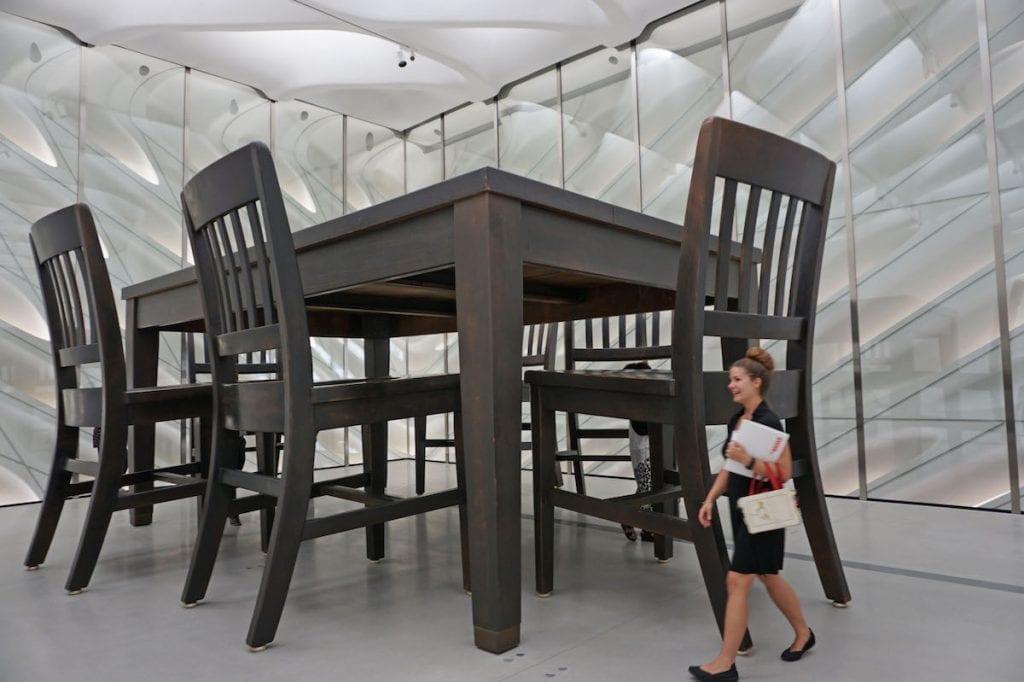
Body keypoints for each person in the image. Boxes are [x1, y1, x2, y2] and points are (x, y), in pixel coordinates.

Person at [688, 348, 814, 682]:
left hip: (764, 510)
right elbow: (730, 467)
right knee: (768, 575)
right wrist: (710, 499)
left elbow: (783, 472)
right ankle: (804, 632)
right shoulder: (737, 419)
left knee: (737, 579)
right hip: (744, 509)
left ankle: (725, 663)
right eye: (730, 379)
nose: (731, 385)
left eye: (737, 379)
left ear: (756, 382)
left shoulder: (767, 422)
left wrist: (747, 460)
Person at [620, 361, 654, 543]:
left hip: (652, 448)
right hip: (644, 451)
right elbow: (643, 429)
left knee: (648, 488)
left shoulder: (643, 404)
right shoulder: (637, 408)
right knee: (648, 489)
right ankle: (647, 528)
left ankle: (629, 513)